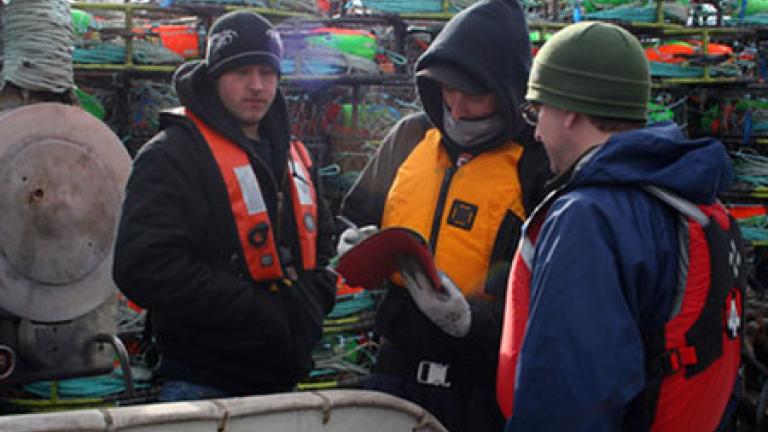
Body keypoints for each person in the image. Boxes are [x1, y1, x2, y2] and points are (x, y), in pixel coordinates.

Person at [497, 22, 744, 431]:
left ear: (570, 111)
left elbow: (570, 397)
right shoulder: (695, 200)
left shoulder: (587, 217)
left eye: (537, 111)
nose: (536, 131)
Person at [338, 0, 551, 430]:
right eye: (446, 88)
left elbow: (548, 296)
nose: (456, 105)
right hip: (394, 372)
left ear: (508, 89)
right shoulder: (410, 137)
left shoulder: (536, 165)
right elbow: (351, 216)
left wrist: (472, 322)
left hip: (479, 390)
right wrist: (350, 243)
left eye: (472, 93)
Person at [113, 11, 337, 402]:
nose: (256, 86)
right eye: (241, 72)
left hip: (283, 382)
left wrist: (308, 304)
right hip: (202, 384)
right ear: (215, 76)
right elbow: (142, 267)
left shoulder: (294, 155)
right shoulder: (172, 156)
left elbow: (324, 245)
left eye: (267, 73)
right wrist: (255, 311)